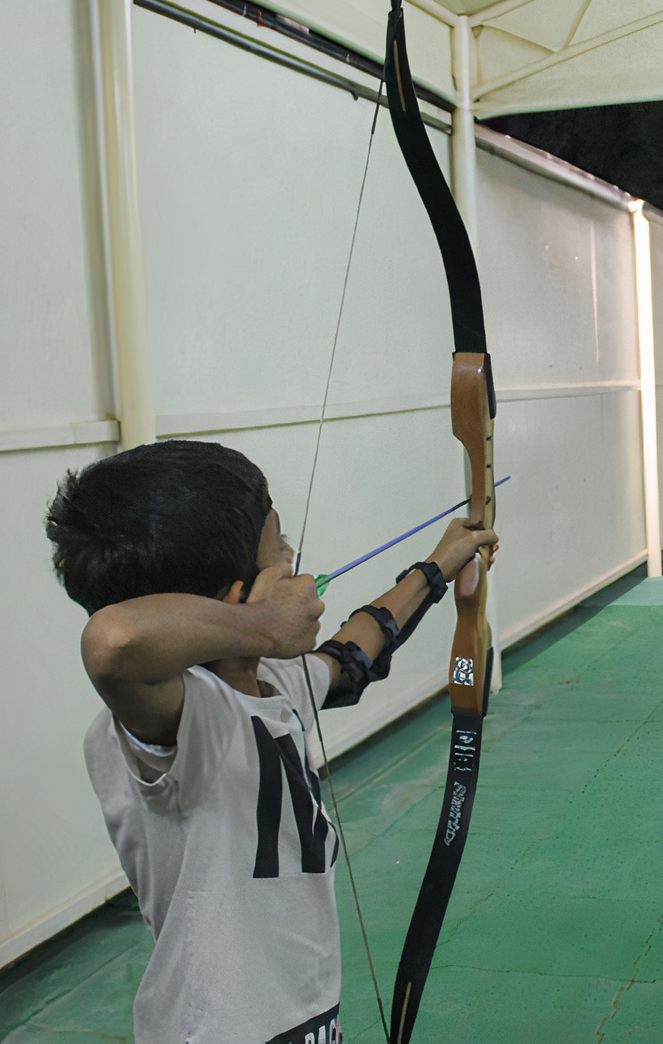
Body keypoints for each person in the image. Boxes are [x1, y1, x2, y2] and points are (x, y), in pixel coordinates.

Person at [44, 439, 497, 1044]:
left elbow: (354, 654)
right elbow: (112, 642)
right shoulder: (177, 719)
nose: (295, 556)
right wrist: (267, 626)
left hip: (303, 1018)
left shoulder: (270, 681)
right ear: (238, 597)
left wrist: (438, 567)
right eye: (279, 546)